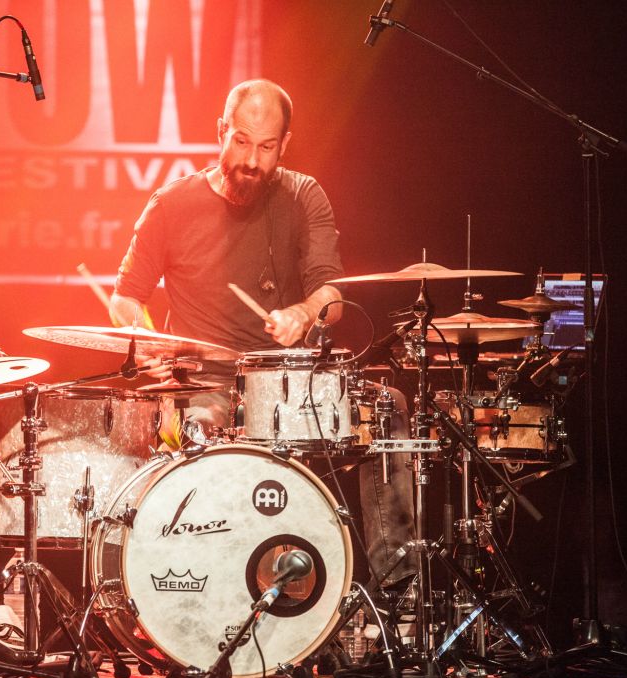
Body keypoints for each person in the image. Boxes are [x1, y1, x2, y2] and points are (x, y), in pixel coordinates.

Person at [109, 79, 416, 590]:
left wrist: (305, 312)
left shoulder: (303, 195)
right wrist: (145, 344)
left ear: (284, 145)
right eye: (242, 141)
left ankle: (398, 588)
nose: (252, 160)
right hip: (204, 383)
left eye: (267, 147)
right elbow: (125, 296)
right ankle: (190, 584)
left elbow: (332, 293)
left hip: (288, 384)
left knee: (389, 407)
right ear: (221, 132)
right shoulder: (172, 203)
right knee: (197, 426)